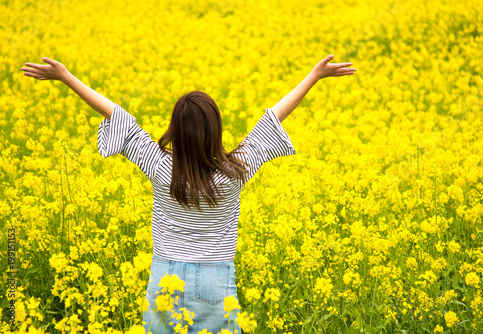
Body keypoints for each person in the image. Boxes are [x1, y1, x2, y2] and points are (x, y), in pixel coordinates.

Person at [21, 55, 356, 333]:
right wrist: (313, 76)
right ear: (216, 129)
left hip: (165, 276)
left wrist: (67, 77)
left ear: (175, 132)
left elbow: (115, 114)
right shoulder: (233, 173)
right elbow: (272, 119)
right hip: (215, 280)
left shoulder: (159, 167)